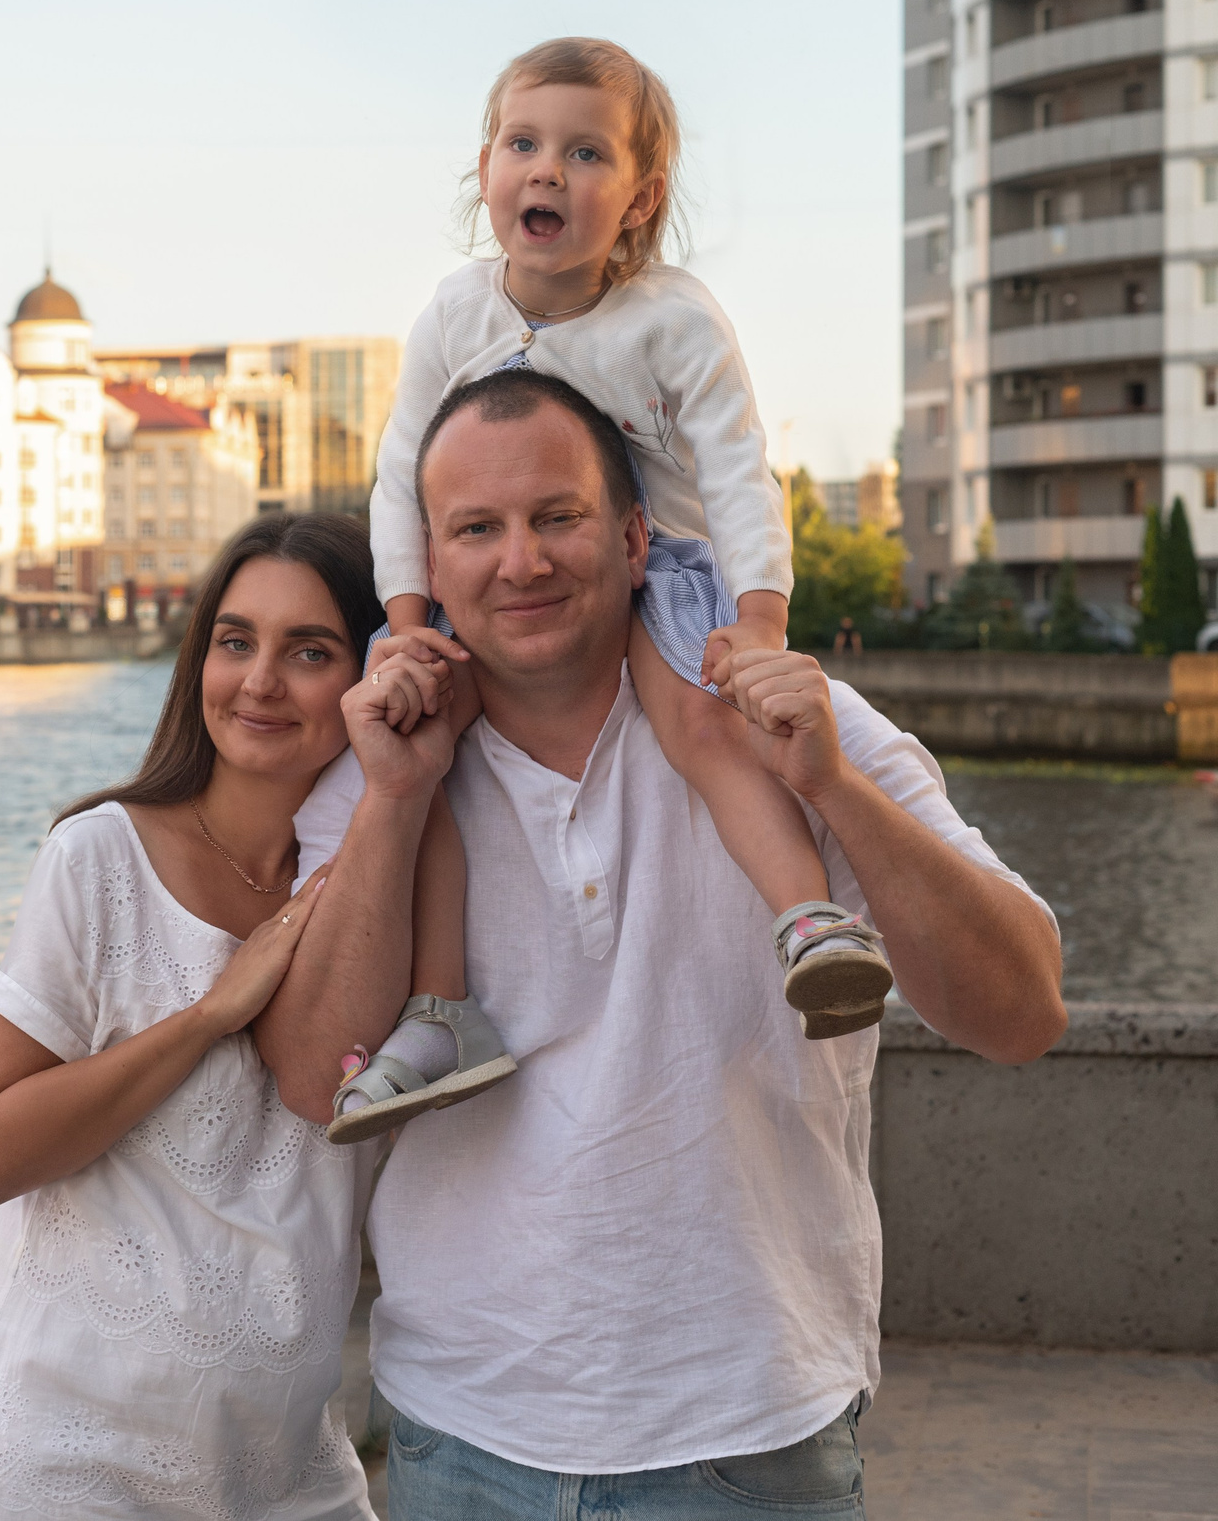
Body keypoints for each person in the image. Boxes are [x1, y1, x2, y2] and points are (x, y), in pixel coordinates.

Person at [258, 372, 1064, 1516]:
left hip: (749, 1429)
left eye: (558, 515)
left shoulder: (791, 723)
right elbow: (309, 1076)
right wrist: (397, 797)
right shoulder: (374, 771)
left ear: (638, 537)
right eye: (475, 529)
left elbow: (1023, 1010)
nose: (519, 560)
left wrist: (830, 785)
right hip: (465, 1432)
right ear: (429, 573)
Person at [329, 38, 890, 1142]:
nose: (547, 171)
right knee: (433, 751)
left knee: (700, 723)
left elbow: (736, 468)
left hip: (660, 563)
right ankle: (442, 1008)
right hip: (499, 577)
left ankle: (808, 919)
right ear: (482, 169)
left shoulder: (672, 317)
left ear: (640, 198)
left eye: (585, 153)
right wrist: (404, 621)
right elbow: (402, 470)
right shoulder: (453, 313)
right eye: (522, 144)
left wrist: (755, 623)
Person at [0, 513, 387, 1521]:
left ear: (372, 676)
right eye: (235, 640)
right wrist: (208, 1016)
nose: (259, 679)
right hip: (62, 1465)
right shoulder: (99, 859)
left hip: (287, 1470)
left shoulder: (386, 892)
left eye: (309, 651)